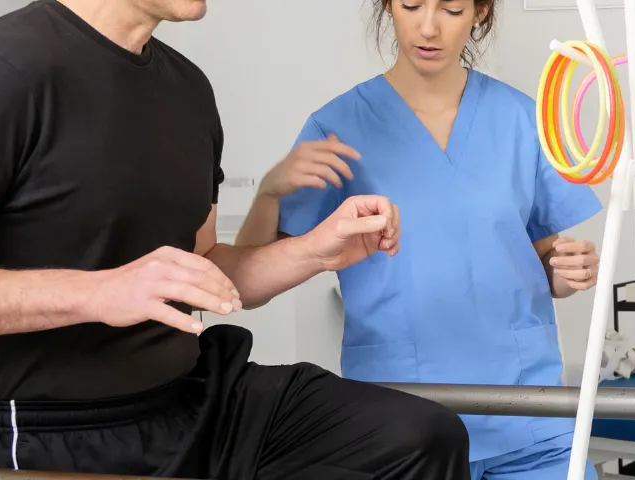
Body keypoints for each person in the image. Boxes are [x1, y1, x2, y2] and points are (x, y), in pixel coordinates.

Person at [0, 0, 471, 478]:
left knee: (418, 439)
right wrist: (97, 293)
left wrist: (314, 252)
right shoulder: (0, 73)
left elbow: (202, 267)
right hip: (55, 434)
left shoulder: (188, 90)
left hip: (194, 398)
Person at [234, 1, 604, 478]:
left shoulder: (521, 119)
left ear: (480, 12)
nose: (428, 27)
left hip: (525, 412)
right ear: (388, 6)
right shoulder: (338, 129)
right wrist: (269, 192)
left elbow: (537, 257)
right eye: (411, 5)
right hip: (404, 421)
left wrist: (566, 271)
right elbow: (248, 285)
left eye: (451, 9)